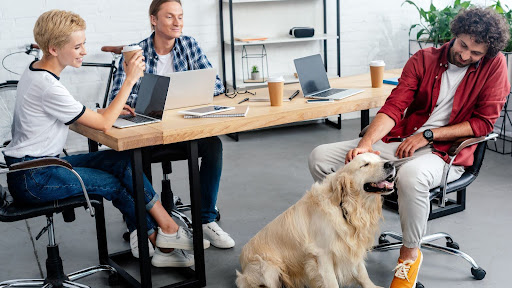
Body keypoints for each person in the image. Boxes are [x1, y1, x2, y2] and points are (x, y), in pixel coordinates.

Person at [308, 7, 510, 288]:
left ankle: (409, 255)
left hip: (446, 153)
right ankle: (349, 229)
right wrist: (365, 145)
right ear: (455, 34)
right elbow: (394, 107)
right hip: (400, 142)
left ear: (486, 53)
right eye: (463, 46)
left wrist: (429, 135)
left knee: (411, 176)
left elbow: (483, 124)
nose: (465, 56)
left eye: (475, 54)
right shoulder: (424, 59)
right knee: (321, 157)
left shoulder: (495, 66)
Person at [2, 9, 208, 268]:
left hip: (38, 167)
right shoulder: (48, 85)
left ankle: (163, 236)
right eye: (77, 46)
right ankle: (163, 236)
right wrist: (130, 81)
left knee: (122, 163)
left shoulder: (36, 71)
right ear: (54, 49)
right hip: (35, 176)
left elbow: (77, 113)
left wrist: (104, 111)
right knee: (115, 183)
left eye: (83, 44)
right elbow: (101, 125)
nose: (84, 51)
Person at [109, 0, 235, 250]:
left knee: (213, 146)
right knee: (133, 155)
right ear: (154, 20)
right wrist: (154, 99)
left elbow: (217, 84)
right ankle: (142, 227)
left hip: (182, 128)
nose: (178, 22)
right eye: (169, 17)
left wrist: (179, 96)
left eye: (180, 16)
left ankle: (205, 220)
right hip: (148, 131)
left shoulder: (189, 45)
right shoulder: (136, 53)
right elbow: (117, 97)